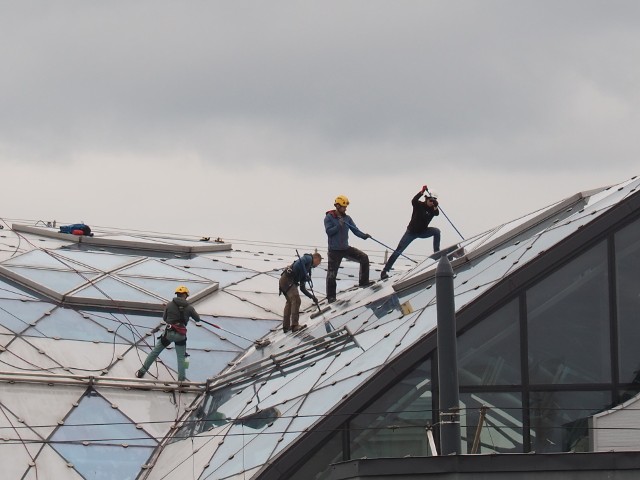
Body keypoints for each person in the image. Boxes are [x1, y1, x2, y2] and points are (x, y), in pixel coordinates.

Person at [136, 285, 201, 382]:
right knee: (181, 358)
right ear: (185, 295)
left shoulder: (169, 305)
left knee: (155, 352)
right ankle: (181, 381)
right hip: (180, 335)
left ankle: (142, 371)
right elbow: (198, 319)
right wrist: (188, 314)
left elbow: (165, 318)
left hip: (169, 333)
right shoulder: (189, 308)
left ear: (177, 294)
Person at [381, 186, 441, 279]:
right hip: (411, 232)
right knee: (398, 251)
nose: (431, 203)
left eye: (433, 201)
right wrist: (421, 192)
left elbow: (437, 213)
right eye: (430, 201)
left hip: (423, 232)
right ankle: (385, 270)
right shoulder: (419, 205)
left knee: (436, 231)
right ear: (426, 199)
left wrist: (436, 206)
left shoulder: (433, 209)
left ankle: (436, 253)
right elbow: (413, 200)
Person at [324, 195, 373, 303]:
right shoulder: (329, 218)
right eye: (343, 207)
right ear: (337, 206)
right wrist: (338, 226)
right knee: (332, 274)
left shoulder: (347, 218)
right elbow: (329, 232)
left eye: (345, 207)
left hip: (345, 248)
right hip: (334, 251)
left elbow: (355, 230)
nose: (345, 209)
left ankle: (364, 282)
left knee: (364, 258)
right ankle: (331, 297)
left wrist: (364, 236)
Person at [279, 252, 322, 332]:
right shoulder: (308, 258)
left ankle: (286, 327)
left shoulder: (307, 268)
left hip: (284, 281)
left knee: (290, 302)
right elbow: (298, 264)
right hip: (288, 279)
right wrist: (305, 273)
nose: (316, 266)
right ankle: (295, 325)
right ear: (316, 258)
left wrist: (312, 297)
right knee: (296, 299)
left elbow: (302, 288)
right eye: (318, 263)